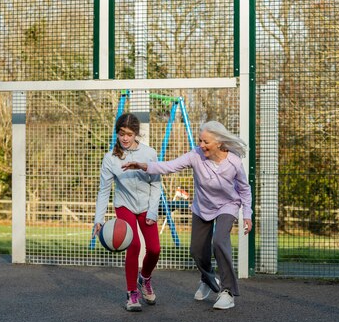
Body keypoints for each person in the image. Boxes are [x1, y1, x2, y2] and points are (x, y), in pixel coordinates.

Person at [122, 120, 252, 310]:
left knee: (219, 241)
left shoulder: (233, 162)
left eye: (205, 142)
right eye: (200, 141)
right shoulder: (195, 156)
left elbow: (244, 189)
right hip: (202, 206)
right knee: (196, 250)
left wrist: (247, 214)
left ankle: (227, 291)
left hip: (227, 205)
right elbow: (169, 166)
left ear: (218, 142)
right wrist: (143, 166)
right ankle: (207, 279)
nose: (201, 145)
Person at [93, 113, 162, 312]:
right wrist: (99, 219)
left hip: (147, 206)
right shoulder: (110, 159)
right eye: (121, 133)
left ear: (136, 135)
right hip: (124, 206)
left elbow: (156, 185)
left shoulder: (149, 153)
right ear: (117, 133)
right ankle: (132, 293)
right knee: (134, 245)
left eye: (129, 134)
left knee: (155, 249)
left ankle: (145, 278)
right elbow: (104, 190)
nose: (125, 138)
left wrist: (152, 212)